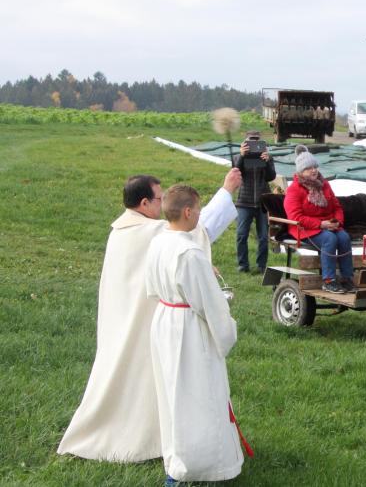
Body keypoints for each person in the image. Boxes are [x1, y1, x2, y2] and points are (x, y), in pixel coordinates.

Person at [58, 169, 240, 462]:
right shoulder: (150, 232)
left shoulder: (120, 230)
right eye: (159, 198)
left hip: (123, 319)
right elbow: (194, 227)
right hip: (145, 323)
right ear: (144, 204)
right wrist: (226, 191)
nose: (163, 203)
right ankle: (150, 439)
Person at [146, 184, 250, 484]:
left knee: (172, 392)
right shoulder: (189, 253)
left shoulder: (159, 241)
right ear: (188, 211)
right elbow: (210, 303)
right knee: (197, 394)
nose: (201, 215)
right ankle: (201, 461)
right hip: (188, 329)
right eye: (199, 209)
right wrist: (227, 331)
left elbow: (151, 287)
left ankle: (177, 456)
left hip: (165, 318)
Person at [284, 145, 355, 293]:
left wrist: (337, 222)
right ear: (301, 171)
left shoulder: (324, 184)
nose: (314, 170)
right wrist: (321, 224)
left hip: (327, 225)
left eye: (315, 166)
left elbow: (337, 207)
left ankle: (347, 278)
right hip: (304, 229)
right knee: (329, 239)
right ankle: (328, 280)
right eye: (309, 168)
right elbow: (296, 217)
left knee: (343, 237)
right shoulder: (294, 189)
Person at [233, 129, 276, 274]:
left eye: (257, 140)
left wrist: (268, 161)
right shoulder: (238, 157)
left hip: (262, 202)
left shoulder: (266, 157)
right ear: (245, 141)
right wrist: (241, 156)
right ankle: (243, 265)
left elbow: (271, 177)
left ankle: (261, 265)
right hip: (244, 202)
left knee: (263, 236)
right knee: (241, 234)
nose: (254, 142)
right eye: (251, 140)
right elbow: (235, 174)